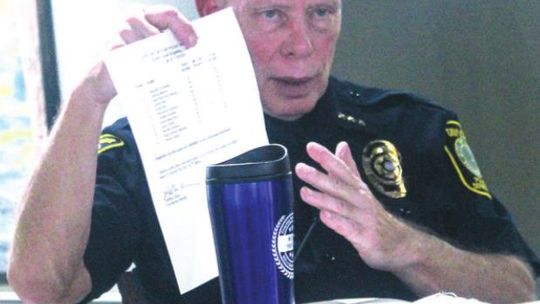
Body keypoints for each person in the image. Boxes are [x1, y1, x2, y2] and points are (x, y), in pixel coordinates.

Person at [7, 0, 539, 303]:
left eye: (321, 13)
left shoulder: (411, 127)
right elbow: (40, 287)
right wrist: (87, 98)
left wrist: (404, 247)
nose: (301, 44)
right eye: (271, 14)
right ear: (213, 10)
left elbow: (520, 288)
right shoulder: (145, 146)